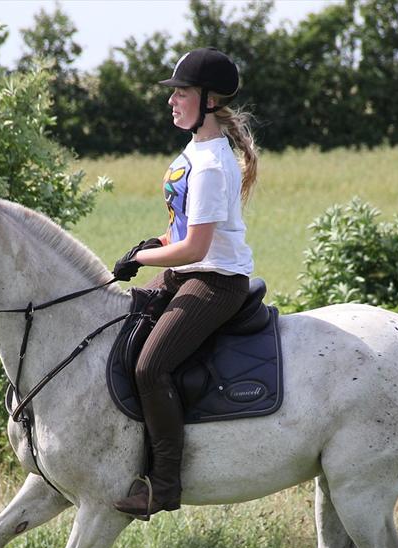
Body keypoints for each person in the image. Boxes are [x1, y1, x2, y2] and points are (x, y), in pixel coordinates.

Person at [111, 47, 259, 519]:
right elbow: (178, 228)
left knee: (150, 368)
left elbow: (196, 248)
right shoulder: (192, 151)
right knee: (117, 327)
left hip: (216, 281)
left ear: (209, 101)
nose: (172, 101)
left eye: (182, 93)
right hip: (186, 269)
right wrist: (149, 244)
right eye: (173, 93)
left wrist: (142, 257)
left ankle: (164, 486)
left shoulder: (215, 165)